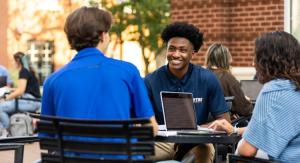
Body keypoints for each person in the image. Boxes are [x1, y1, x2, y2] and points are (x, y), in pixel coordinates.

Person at [41, 6, 158, 159]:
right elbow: (151, 128)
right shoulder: (127, 72)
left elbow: (48, 137)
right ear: (103, 36)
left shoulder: (53, 80)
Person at [144, 22, 230, 162]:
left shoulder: (207, 79)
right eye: (171, 49)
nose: (176, 54)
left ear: (193, 53)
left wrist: (196, 129)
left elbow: (225, 121)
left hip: (196, 141)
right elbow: (143, 123)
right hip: (163, 143)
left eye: (182, 50)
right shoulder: (150, 81)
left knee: (205, 149)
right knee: (133, 152)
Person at [209, 31, 300, 162]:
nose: (253, 64)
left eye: (256, 57)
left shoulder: (273, 91)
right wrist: (235, 130)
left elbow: (247, 150)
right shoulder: (294, 86)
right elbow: (273, 129)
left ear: (269, 61)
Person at [205, 43, 253, 120]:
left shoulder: (201, 75)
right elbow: (245, 110)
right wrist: (246, 101)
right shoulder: (227, 78)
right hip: (221, 126)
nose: (231, 60)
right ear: (225, 59)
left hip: (200, 124)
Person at [0, 52, 41, 130]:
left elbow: (20, 91)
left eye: (13, 61)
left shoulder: (23, 71)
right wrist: (10, 90)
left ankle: (7, 130)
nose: (12, 63)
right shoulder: (27, 70)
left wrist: (6, 98)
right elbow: (24, 88)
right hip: (32, 101)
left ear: (18, 61)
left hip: (30, 101)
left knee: (0, 108)